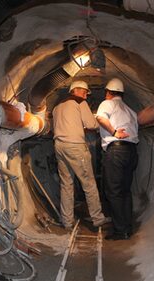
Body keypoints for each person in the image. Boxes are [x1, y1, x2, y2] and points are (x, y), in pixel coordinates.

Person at [52, 80, 110, 229]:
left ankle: (67, 221)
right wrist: (100, 124)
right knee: (89, 183)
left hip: (59, 146)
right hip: (75, 147)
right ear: (76, 91)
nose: (85, 96)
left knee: (66, 184)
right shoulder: (79, 102)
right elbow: (91, 124)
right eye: (84, 93)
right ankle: (97, 219)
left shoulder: (57, 107)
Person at [96, 78, 139, 240]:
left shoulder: (107, 104)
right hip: (132, 151)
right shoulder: (131, 111)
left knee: (113, 192)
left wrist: (114, 133)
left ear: (109, 92)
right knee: (125, 191)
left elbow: (100, 118)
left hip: (116, 151)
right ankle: (127, 227)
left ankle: (120, 230)